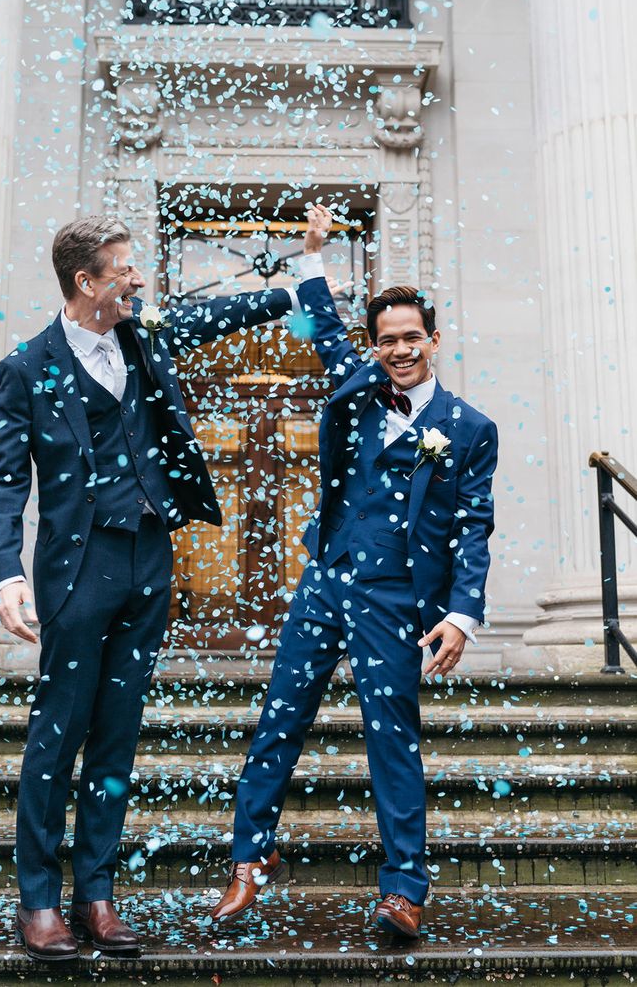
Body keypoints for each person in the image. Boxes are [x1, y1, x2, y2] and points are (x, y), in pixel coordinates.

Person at [0, 214, 304, 961]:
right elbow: (4, 482)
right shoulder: (29, 367)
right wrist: (5, 572)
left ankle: (95, 895)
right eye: (122, 268)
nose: (138, 277)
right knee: (57, 737)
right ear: (85, 282)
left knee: (117, 740)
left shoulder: (145, 334)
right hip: (76, 568)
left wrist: (296, 285)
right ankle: (39, 901)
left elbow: (216, 313)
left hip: (147, 564)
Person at [211, 212, 498, 940]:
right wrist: (312, 256)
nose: (399, 350)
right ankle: (249, 859)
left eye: (411, 337)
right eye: (387, 339)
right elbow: (325, 327)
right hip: (327, 580)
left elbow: (474, 524)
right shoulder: (360, 388)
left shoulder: (469, 428)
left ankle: (403, 889)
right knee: (280, 718)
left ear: (433, 339)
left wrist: (462, 613)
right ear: (376, 346)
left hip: (397, 598)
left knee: (390, 737)